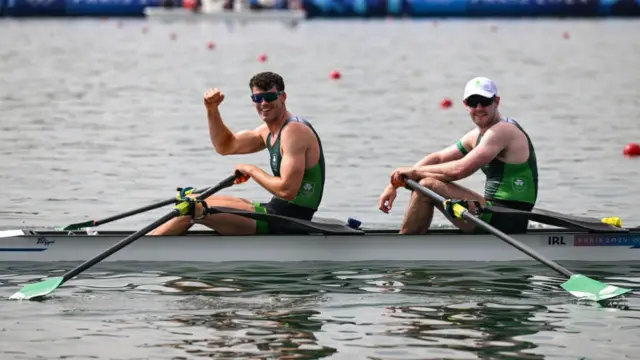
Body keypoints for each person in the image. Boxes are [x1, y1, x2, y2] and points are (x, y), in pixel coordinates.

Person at [150, 71, 326, 236]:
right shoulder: (267, 131)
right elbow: (225, 146)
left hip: (289, 221)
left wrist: (251, 170)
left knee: (191, 208)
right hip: (276, 210)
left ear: (283, 97)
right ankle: (152, 242)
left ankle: (144, 249)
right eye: (258, 98)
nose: (264, 103)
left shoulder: (294, 132)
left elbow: (287, 190)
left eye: (270, 97)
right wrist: (212, 110)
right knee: (191, 199)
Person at [378, 77, 538, 234]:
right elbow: (438, 158)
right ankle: (410, 241)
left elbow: (459, 170)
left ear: (496, 101)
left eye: (485, 101)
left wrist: (414, 173)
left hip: (508, 218)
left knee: (427, 185)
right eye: (473, 102)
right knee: (425, 182)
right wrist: (394, 184)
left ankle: (405, 246)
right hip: (494, 212)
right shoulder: (477, 135)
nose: (479, 108)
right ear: (465, 105)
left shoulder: (502, 131)